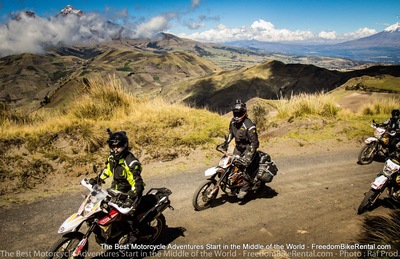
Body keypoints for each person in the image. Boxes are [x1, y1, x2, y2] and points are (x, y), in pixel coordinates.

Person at [90, 129, 144, 244]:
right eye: (113, 146)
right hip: (117, 190)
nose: (115, 149)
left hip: (132, 192)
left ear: (124, 145)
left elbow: (137, 183)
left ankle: (133, 241)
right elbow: (108, 170)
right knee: (103, 210)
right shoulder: (113, 158)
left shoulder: (130, 162)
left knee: (129, 217)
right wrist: (98, 179)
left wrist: (131, 198)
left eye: (118, 146)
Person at [219, 99, 260, 201]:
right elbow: (231, 134)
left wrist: (248, 156)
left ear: (244, 112)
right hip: (238, 148)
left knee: (246, 167)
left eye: (240, 113)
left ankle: (244, 189)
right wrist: (225, 144)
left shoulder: (249, 125)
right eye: (235, 113)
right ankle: (234, 184)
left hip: (248, 149)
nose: (237, 115)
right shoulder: (233, 122)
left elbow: (254, 143)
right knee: (232, 165)